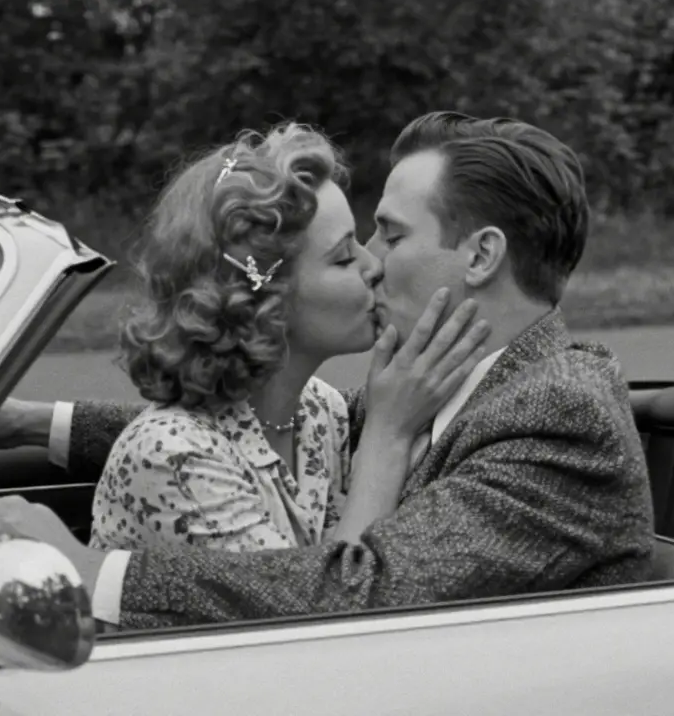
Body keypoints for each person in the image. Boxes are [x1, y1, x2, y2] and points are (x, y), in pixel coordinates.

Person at [0, 111, 656, 630]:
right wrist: (29, 422)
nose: (374, 261)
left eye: (391, 233)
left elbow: (355, 600)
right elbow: (251, 428)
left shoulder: (558, 414)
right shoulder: (454, 387)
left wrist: (92, 572)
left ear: (479, 258)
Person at [85, 122, 490, 557]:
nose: (374, 265)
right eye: (342, 257)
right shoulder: (175, 457)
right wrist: (387, 433)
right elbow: (324, 612)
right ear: (265, 299)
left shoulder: (318, 410)